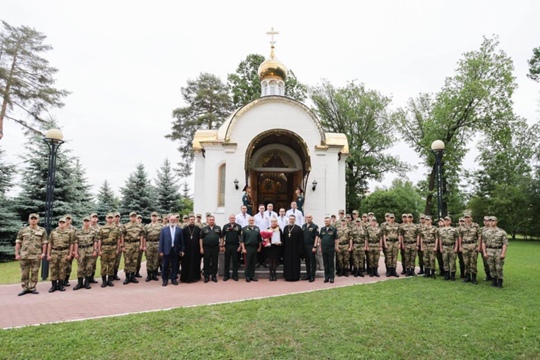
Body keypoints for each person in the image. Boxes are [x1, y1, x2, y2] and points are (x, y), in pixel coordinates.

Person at [14, 213, 47, 296]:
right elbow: (18, 242)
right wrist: (17, 254)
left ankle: (32, 287)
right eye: (31, 218)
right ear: (29, 220)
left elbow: (44, 243)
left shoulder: (42, 230)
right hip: (24, 255)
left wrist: (43, 253)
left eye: (35, 219)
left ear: (38, 220)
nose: (33, 220)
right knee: (24, 273)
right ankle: (25, 288)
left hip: (36, 255)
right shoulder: (23, 230)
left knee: (35, 272)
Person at [47, 217, 74, 293]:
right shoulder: (53, 232)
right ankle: (54, 285)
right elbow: (50, 244)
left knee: (63, 269)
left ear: (66, 224)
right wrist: (48, 254)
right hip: (54, 252)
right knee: (53, 269)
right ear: (58, 223)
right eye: (60, 223)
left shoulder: (70, 232)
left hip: (64, 252)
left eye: (63, 223)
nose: (61, 224)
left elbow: (71, 244)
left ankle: (61, 285)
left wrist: (70, 254)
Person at [482, 216, 508, 288]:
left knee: (499, 267)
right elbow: (483, 242)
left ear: (496, 222)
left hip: (498, 251)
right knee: (491, 267)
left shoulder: (502, 232)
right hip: (489, 250)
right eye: (490, 221)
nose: (491, 222)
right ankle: (494, 281)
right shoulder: (485, 232)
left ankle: (499, 282)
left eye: (493, 221)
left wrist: (503, 253)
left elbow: (505, 243)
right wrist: (484, 252)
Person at [159, 214, 184, 286]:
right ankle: (165, 280)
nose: (172, 221)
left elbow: (182, 241)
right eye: (171, 220)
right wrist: (160, 251)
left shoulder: (179, 230)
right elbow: (161, 241)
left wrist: (182, 250)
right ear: (169, 220)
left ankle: (174, 279)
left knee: (175, 266)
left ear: (176, 220)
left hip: (176, 250)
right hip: (166, 250)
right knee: (165, 266)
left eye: (174, 220)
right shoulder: (164, 230)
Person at [97, 213, 122, 288]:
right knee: (103, 265)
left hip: (113, 248)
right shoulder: (102, 228)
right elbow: (99, 240)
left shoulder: (116, 229)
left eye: (111, 218)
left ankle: (109, 281)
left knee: (111, 265)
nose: (110, 219)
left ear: (113, 219)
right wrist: (99, 250)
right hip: (104, 248)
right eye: (109, 218)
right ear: (106, 219)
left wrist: (118, 249)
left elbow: (118, 240)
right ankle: (104, 281)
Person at [73, 216, 97, 290]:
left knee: (89, 267)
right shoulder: (78, 231)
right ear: (83, 222)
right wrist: (76, 252)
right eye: (85, 221)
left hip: (90, 249)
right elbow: (76, 243)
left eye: (87, 221)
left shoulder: (93, 231)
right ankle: (80, 283)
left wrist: (95, 250)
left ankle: (87, 282)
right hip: (81, 250)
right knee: (80, 267)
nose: (86, 223)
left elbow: (95, 241)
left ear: (89, 222)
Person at [122, 212, 145, 285]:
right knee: (127, 261)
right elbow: (122, 236)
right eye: (132, 216)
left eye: (134, 216)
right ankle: (127, 277)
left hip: (136, 244)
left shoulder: (140, 226)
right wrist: (122, 246)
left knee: (134, 261)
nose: (133, 218)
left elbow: (142, 236)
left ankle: (132, 276)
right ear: (129, 217)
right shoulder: (125, 226)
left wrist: (141, 245)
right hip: (128, 244)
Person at [459, 211, 481, 284]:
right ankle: (467, 277)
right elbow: (460, 237)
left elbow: (479, 236)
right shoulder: (461, 226)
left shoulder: (476, 225)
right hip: (465, 246)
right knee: (466, 262)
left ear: (471, 218)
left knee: (473, 262)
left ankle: (474, 278)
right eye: (465, 217)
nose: (466, 218)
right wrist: (460, 246)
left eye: (468, 217)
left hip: (473, 245)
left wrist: (479, 246)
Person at [200, 215, 222, 283]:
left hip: (215, 247)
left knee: (215, 262)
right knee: (206, 262)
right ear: (207, 221)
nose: (211, 221)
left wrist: (221, 245)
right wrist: (201, 248)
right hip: (206, 247)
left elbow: (221, 237)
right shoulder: (204, 229)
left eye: (212, 219)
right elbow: (201, 239)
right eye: (210, 220)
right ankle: (206, 277)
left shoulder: (218, 228)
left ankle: (214, 276)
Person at [181, 215, 202, 283]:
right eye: (191, 219)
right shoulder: (184, 229)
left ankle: (195, 277)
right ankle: (185, 277)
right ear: (188, 220)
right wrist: (182, 250)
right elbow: (182, 240)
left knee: (195, 263)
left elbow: (200, 239)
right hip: (187, 250)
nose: (192, 221)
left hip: (196, 249)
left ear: (195, 220)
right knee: (186, 263)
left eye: (193, 219)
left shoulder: (198, 229)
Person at [282, 215, 304, 281]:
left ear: (295, 220)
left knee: (295, 263)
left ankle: (295, 277)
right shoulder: (285, 228)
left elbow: (301, 240)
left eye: (293, 219)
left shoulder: (298, 228)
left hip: (295, 250)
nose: (291, 220)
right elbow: (283, 239)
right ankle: (287, 277)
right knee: (287, 263)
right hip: (287, 249)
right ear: (288, 220)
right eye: (290, 219)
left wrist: (300, 250)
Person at [240, 216, 262, 282]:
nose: (251, 221)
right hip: (248, 248)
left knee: (253, 262)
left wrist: (259, 247)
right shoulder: (244, 229)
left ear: (254, 221)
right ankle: (247, 276)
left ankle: (252, 276)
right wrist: (243, 248)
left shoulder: (257, 229)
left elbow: (259, 240)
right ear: (248, 221)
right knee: (248, 263)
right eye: (250, 220)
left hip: (255, 247)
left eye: (252, 220)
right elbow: (242, 240)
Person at [222, 214, 242, 281]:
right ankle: (226, 275)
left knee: (235, 261)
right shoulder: (225, 226)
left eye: (233, 218)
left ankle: (235, 276)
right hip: (227, 245)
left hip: (235, 246)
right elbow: (222, 237)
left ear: (235, 218)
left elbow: (241, 237)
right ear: (229, 218)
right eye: (231, 218)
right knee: (226, 261)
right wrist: (222, 246)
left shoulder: (238, 226)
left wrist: (240, 246)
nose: (232, 219)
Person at [318, 217, 338, 283]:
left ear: (330, 222)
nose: (326, 222)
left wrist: (336, 247)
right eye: (325, 221)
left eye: (327, 221)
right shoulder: (322, 229)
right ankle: (326, 277)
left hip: (331, 248)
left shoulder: (334, 229)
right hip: (324, 248)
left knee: (331, 263)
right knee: (325, 263)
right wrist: (320, 247)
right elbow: (320, 239)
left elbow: (336, 239)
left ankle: (332, 277)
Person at [144, 212, 163, 282]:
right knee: (149, 259)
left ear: (157, 217)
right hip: (149, 243)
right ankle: (149, 275)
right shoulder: (146, 226)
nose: (154, 217)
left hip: (157, 243)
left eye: (155, 216)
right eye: (153, 216)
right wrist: (144, 246)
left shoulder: (161, 226)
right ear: (150, 217)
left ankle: (154, 275)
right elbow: (144, 237)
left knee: (156, 259)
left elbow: (162, 237)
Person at [439, 216, 458, 281]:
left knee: (452, 262)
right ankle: (447, 275)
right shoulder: (441, 230)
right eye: (445, 220)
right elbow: (440, 240)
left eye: (447, 220)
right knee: (445, 261)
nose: (446, 221)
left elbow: (456, 239)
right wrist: (441, 248)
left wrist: (456, 248)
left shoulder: (454, 229)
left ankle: (452, 276)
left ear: (450, 221)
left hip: (452, 246)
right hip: (444, 247)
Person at [301, 214, 319, 282]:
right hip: (305, 246)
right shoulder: (303, 226)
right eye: (307, 217)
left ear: (312, 218)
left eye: (309, 217)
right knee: (307, 261)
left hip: (311, 246)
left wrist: (315, 246)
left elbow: (316, 237)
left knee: (312, 261)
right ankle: (308, 275)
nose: (308, 218)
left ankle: (312, 276)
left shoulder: (315, 226)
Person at [88, 213, 101, 283]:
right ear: (90, 218)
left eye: (96, 217)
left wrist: (98, 249)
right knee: (87, 264)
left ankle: (91, 277)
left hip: (95, 248)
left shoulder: (100, 228)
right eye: (93, 217)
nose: (94, 218)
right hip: (87, 248)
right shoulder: (87, 226)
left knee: (93, 263)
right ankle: (86, 278)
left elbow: (100, 239)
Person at [480, 216, 492, 281]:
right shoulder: (481, 229)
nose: (485, 222)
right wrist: (480, 247)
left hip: (492, 248)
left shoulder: (493, 229)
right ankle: (488, 276)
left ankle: (494, 276)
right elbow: (479, 239)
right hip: (484, 248)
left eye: (487, 220)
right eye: (484, 220)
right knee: (485, 263)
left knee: (492, 263)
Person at [112, 212, 124, 281]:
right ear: (113, 217)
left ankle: (115, 274)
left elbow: (123, 236)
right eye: (115, 217)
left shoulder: (122, 226)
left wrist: (122, 246)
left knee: (117, 261)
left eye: (118, 217)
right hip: (112, 246)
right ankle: (111, 275)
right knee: (111, 261)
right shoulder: (110, 226)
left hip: (119, 246)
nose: (117, 218)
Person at [135, 214, 146, 278]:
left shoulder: (143, 227)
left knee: (139, 259)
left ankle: (137, 272)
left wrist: (143, 245)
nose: (139, 220)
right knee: (133, 260)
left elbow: (144, 237)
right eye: (138, 218)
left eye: (140, 218)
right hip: (133, 245)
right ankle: (132, 273)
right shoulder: (132, 226)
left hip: (140, 244)